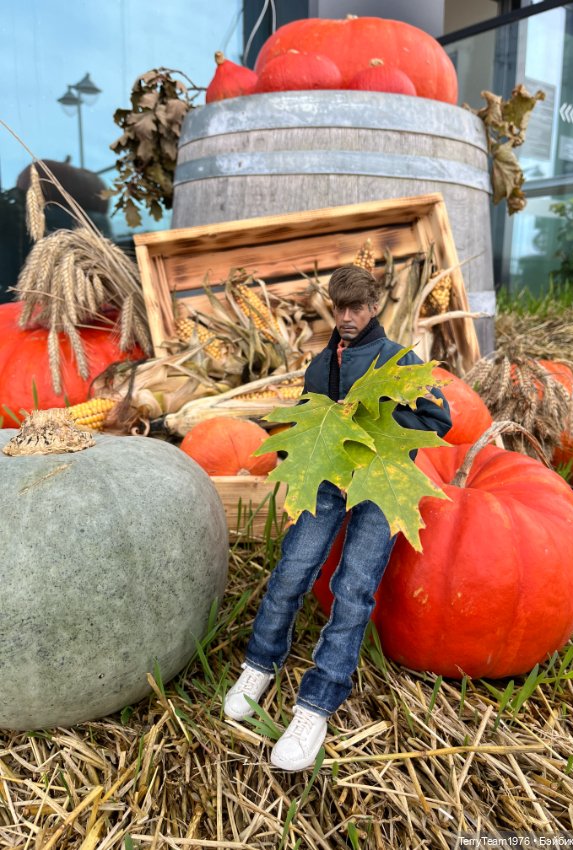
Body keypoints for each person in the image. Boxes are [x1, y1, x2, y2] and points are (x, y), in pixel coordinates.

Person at [223, 265, 452, 771]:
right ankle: (260, 662)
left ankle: (316, 704)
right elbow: (309, 417)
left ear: (374, 308)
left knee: (353, 589)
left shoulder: (398, 362)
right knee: (291, 571)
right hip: (328, 483)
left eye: (357, 308)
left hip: (377, 483)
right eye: (339, 308)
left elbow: (439, 419)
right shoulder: (320, 363)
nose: (347, 318)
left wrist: (374, 422)